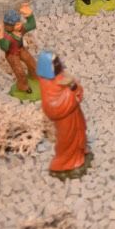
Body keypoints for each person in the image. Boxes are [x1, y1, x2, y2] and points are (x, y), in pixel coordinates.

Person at [37, 51, 90, 179]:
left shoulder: (61, 76)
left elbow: (74, 87)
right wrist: (71, 93)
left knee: (78, 133)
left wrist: (75, 87)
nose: (58, 64)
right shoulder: (47, 85)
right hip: (65, 120)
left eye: (57, 62)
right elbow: (52, 107)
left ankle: (79, 155)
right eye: (54, 63)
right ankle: (63, 165)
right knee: (67, 140)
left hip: (74, 114)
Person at [0, 2, 37, 99]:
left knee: (32, 63)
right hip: (12, 54)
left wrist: (29, 15)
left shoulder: (20, 29)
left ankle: (34, 76)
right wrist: (0, 39)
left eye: (18, 22)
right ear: (7, 25)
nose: (18, 25)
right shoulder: (6, 35)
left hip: (21, 49)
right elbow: (5, 48)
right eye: (14, 24)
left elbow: (32, 25)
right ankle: (23, 86)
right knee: (20, 72)